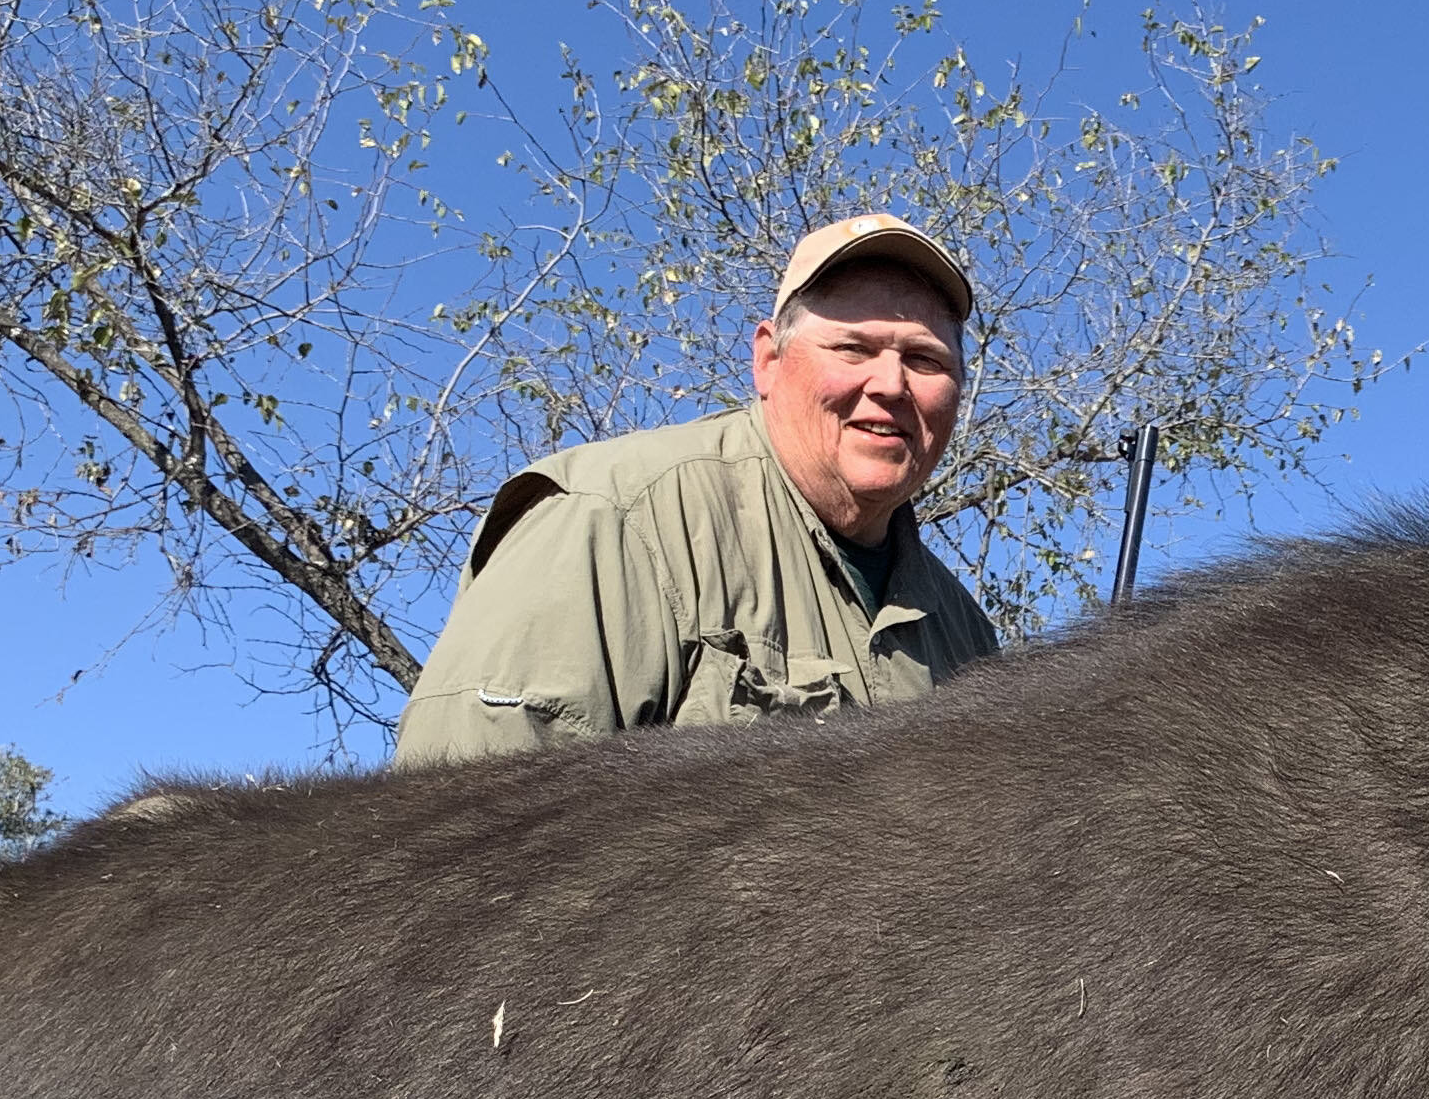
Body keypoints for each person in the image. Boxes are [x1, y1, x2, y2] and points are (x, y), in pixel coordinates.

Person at [391, 213, 1002, 766]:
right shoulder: (613, 517)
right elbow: (463, 840)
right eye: (853, 348)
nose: (891, 384)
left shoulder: (966, 634)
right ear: (767, 359)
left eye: (927, 361)